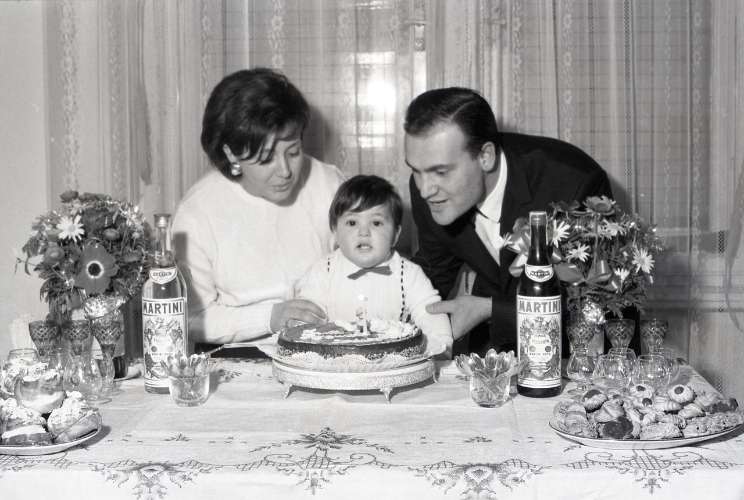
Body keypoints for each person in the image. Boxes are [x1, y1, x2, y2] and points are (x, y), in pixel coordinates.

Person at [404, 87, 613, 355]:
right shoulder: (429, 189)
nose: (424, 190)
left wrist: (491, 310)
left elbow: (597, 304)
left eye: (441, 172)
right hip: (493, 352)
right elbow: (435, 271)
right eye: (416, 171)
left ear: (485, 156)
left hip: (578, 355)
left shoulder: (575, 183)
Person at [173, 68, 344, 346]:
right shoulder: (197, 213)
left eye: (293, 152)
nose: (285, 171)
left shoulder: (328, 184)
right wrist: (269, 318)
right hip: (240, 358)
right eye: (266, 158)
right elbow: (190, 319)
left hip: (327, 347)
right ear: (231, 153)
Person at [295, 175, 454, 357]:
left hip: (393, 361)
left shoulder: (409, 274)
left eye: (376, 223)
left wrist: (440, 346)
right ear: (335, 231)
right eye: (352, 223)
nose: (364, 232)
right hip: (333, 361)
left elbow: (430, 313)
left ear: (395, 234)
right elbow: (306, 314)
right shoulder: (323, 271)